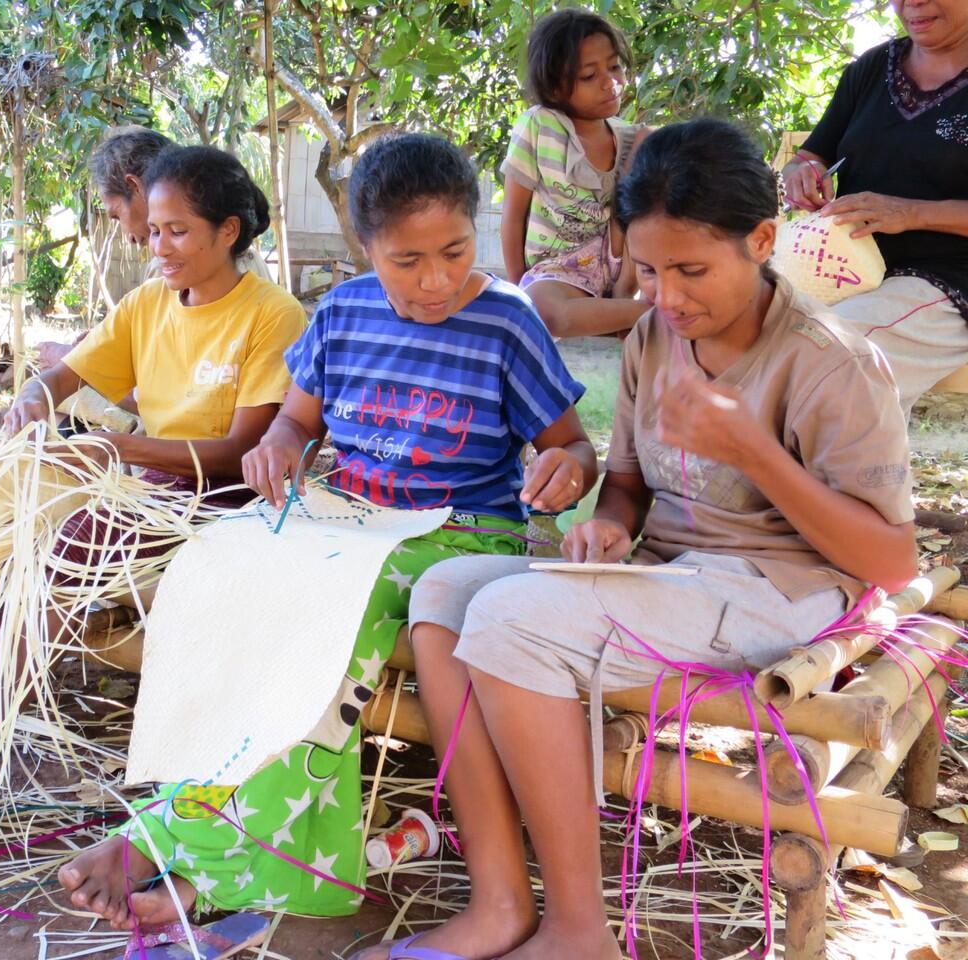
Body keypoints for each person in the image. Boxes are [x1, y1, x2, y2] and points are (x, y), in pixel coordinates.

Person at [365, 119, 918, 960]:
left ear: (763, 240)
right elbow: (625, 485)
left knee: (511, 617)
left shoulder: (832, 363)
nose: (666, 295)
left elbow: (888, 562)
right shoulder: (658, 336)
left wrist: (754, 453)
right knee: (442, 597)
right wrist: (607, 529)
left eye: (691, 270)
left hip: (778, 592)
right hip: (672, 578)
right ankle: (499, 900)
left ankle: (581, 934)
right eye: (649, 270)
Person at [56, 133, 598, 930]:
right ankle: (206, 839)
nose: (436, 278)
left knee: (327, 622)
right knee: (219, 571)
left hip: (459, 530)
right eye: (406, 261)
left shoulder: (505, 322)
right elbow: (293, 425)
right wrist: (279, 446)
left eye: (453, 251)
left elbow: (570, 443)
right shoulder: (341, 313)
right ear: (365, 245)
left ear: (474, 233)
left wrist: (568, 470)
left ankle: (186, 850)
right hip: (346, 520)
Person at [0, 146, 306, 827]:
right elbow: (60, 379)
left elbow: (241, 451)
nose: (158, 247)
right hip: (144, 488)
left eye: (177, 231)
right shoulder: (149, 304)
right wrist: (33, 401)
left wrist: (108, 446)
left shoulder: (272, 314)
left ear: (228, 231)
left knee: (59, 553)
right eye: (153, 231)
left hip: (219, 501)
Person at [782, 0, 968, 416]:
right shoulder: (873, 68)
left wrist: (912, 213)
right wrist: (803, 172)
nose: (911, 4)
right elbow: (813, 154)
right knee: (745, 329)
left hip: (946, 280)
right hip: (841, 268)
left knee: (829, 354)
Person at [35, 126, 272, 372]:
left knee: (60, 384)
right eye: (157, 231)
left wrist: (74, 360)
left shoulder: (178, 269)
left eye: (116, 216)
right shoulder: (225, 256)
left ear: (136, 187)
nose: (128, 237)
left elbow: (163, 385)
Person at [500, 8, 649, 339]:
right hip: (557, 271)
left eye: (614, 67)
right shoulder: (538, 126)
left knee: (653, 145)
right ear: (555, 87)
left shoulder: (631, 136)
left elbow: (642, 215)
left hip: (622, 268)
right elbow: (512, 217)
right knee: (543, 311)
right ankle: (647, 315)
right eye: (589, 76)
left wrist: (627, 279)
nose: (611, 83)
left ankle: (626, 306)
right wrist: (518, 294)